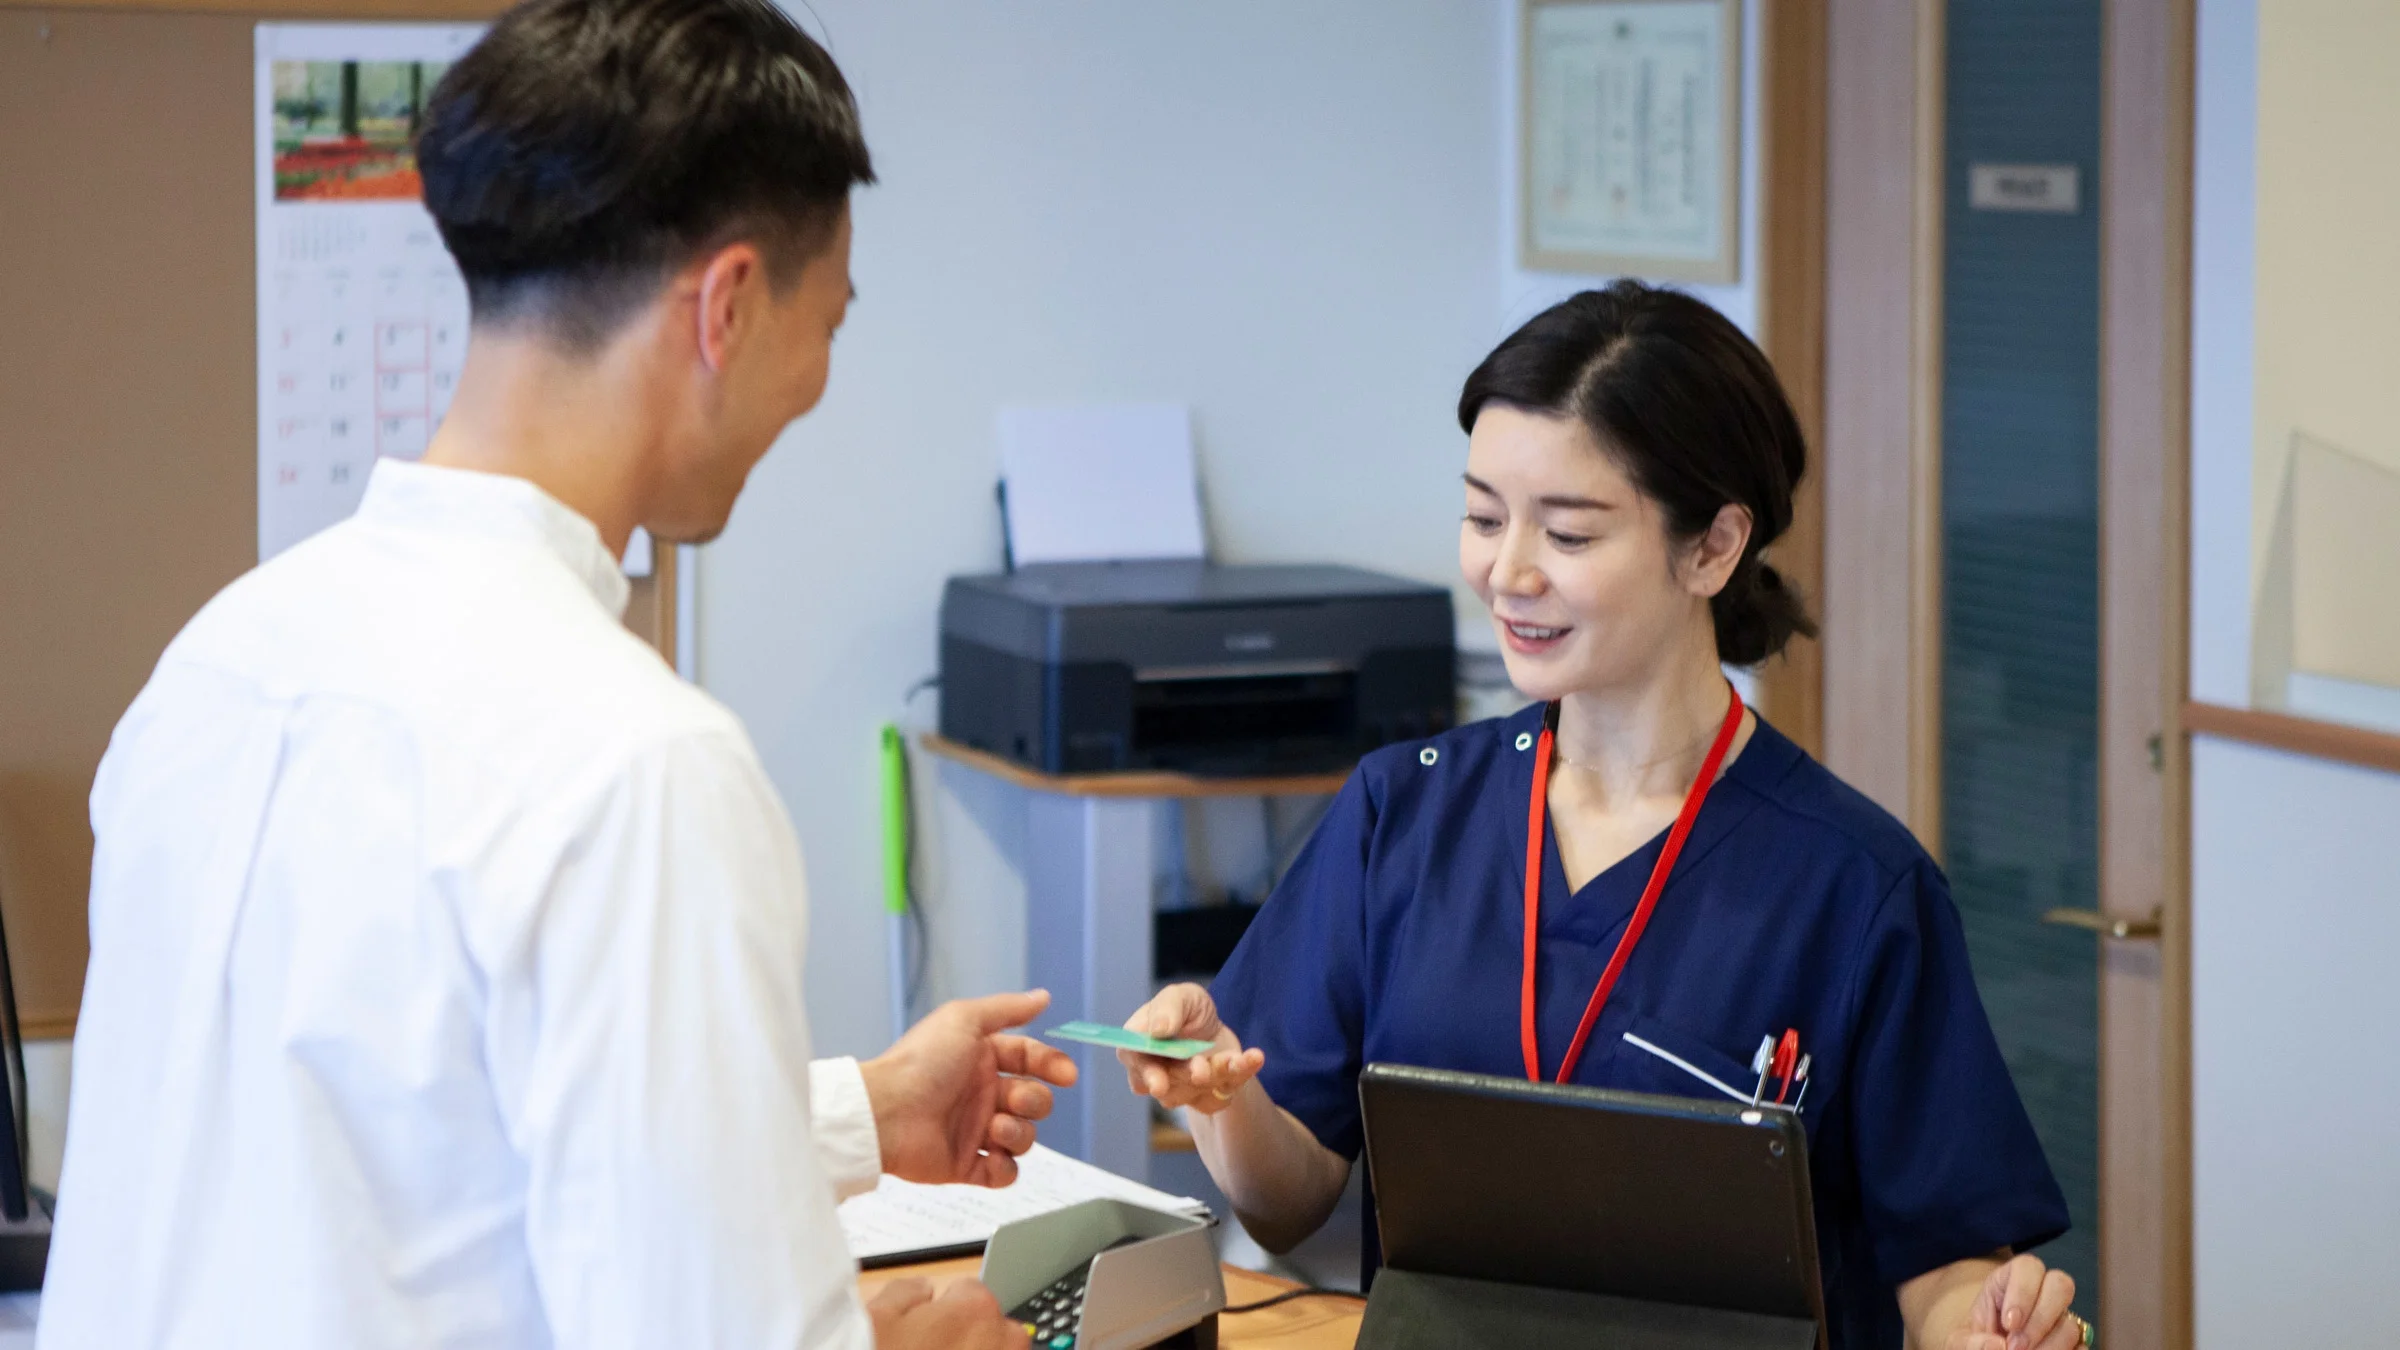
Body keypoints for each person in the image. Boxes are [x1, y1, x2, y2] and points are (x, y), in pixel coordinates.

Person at [39, 2, 1062, 1347]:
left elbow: (385, 1156)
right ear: (732, 304)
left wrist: (859, 1112)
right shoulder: (638, 763)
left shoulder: (214, 668)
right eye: (832, 321)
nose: (816, 380)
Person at [1117, 283, 2094, 1350]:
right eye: (1484, 517)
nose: (1509, 572)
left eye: (1569, 533)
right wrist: (1219, 1095)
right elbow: (1287, 1201)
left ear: (1714, 547)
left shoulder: (1855, 887)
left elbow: (1944, 1268)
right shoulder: (1406, 811)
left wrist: (1991, 1326)